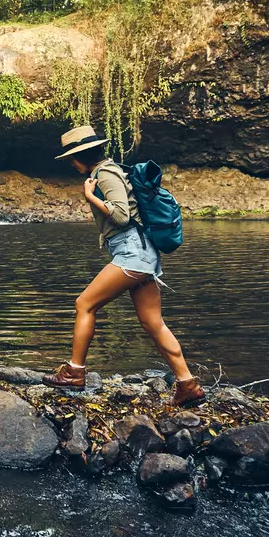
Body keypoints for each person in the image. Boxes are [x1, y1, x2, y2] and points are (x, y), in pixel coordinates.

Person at [42, 126, 205, 407]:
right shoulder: (109, 171)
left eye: (72, 157)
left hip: (133, 252)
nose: (71, 163)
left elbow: (120, 215)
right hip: (141, 253)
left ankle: (74, 372)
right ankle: (187, 384)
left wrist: (91, 197)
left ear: (83, 154)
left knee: (85, 304)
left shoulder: (104, 173)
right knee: (153, 323)